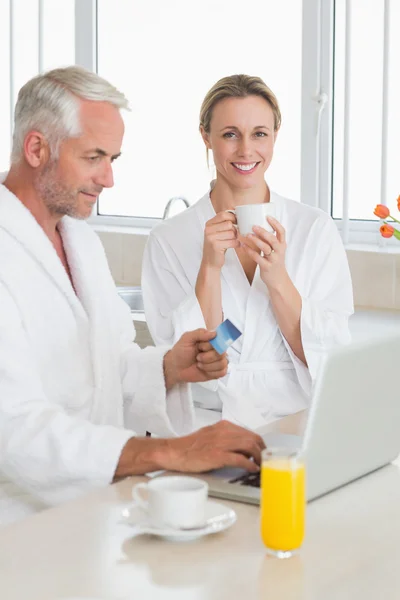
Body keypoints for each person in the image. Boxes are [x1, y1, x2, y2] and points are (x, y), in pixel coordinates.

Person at [0, 67, 265, 526]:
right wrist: (171, 451)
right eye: (94, 157)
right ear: (37, 148)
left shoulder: (80, 242)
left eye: (114, 159)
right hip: (18, 527)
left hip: (89, 514)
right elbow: (14, 429)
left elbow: (108, 365)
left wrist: (165, 367)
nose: (108, 179)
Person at [142, 74, 354, 430]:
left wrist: (278, 281)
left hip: (297, 422)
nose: (245, 150)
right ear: (205, 136)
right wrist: (210, 269)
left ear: (274, 136)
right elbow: (197, 357)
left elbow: (330, 356)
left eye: (259, 133)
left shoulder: (314, 229)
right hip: (208, 423)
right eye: (229, 134)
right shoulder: (169, 239)